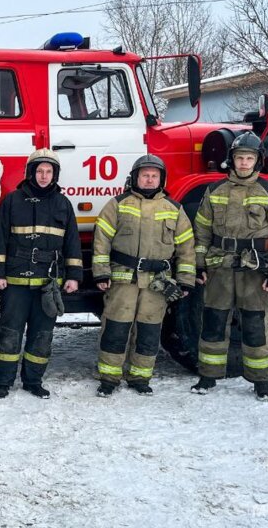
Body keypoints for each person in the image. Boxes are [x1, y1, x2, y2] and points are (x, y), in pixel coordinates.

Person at [191, 132, 268, 402]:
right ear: (231, 160)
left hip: (255, 270)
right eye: (239, 158)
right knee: (213, 323)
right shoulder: (214, 191)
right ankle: (208, 376)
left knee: (255, 325)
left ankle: (261, 382)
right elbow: (200, 231)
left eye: (249, 158)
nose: (244, 163)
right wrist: (198, 265)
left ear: (257, 161)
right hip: (219, 267)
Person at [92, 154, 195, 397]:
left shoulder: (174, 210)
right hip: (123, 279)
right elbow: (101, 241)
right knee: (116, 328)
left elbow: (186, 249)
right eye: (145, 175)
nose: (149, 180)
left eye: (154, 176)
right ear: (135, 178)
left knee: (148, 331)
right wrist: (101, 273)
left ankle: (140, 377)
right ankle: (109, 377)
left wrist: (185, 280)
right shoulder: (117, 204)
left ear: (161, 179)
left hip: (156, 284)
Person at [0, 148, 82, 399]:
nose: (43, 176)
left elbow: (72, 242)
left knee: (42, 336)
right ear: (31, 172)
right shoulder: (12, 200)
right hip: (15, 282)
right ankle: (3, 382)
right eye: (39, 171)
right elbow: (0, 240)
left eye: (48, 171)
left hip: (47, 283)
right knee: (9, 333)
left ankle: (33, 381)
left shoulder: (63, 204)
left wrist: (73, 276)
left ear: (55, 175)